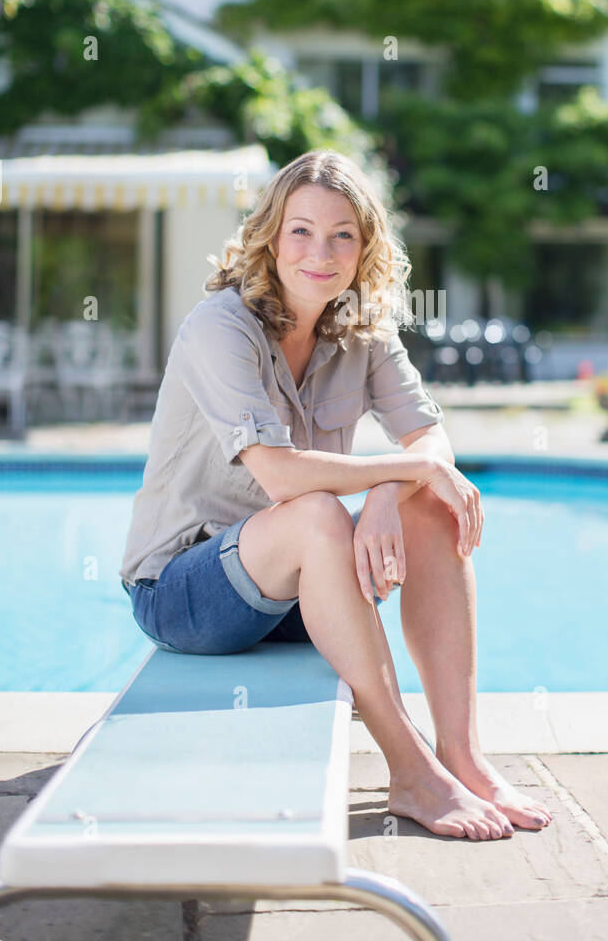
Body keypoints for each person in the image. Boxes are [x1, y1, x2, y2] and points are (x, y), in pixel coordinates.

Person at [120, 149, 551, 841]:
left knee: (429, 506)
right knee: (320, 513)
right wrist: (395, 472)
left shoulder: (364, 330)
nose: (320, 252)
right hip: (185, 591)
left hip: (296, 591)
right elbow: (284, 477)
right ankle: (409, 770)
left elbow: (429, 441)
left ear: (364, 248)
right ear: (270, 235)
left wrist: (392, 487)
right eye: (301, 231)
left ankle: (462, 756)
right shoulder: (219, 328)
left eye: (342, 235)